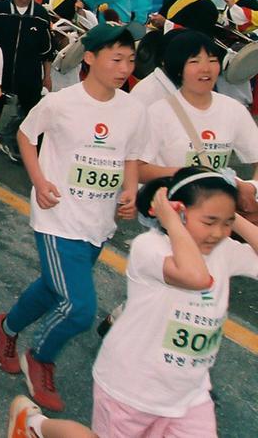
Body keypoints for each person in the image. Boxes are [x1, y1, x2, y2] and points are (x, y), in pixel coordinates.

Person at [0, 23, 143, 412]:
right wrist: (39, 181)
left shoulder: (132, 108)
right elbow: (26, 136)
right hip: (58, 219)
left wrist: (130, 190)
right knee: (79, 308)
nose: (125, 68)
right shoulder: (61, 103)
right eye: (116, 59)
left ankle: (6, 326)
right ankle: (40, 357)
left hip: (98, 223)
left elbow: (130, 155)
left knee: (51, 288)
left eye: (130, 60)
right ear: (89, 57)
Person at [90, 169, 258, 435]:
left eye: (225, 223)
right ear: (178, 211)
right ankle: (37, 424)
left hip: (189, 393)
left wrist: (229, 213)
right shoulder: (150, 247)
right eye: (209, 221)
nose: (217, 233)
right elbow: (196, 277)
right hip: (131, 389)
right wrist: (171, 222)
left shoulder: (223, 250)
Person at [138, 31, 258, 211]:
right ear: (178, 68)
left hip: (218, 214)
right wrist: (190, 174)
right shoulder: (158, 113)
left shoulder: (233, 110)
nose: (206, 68)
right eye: (194, 61)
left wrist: (252, 187)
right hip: (174, 213)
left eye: (212, 60)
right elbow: (138, 169)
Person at [0, 0, 54, 163]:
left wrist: (47, 76)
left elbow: (46, 51)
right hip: (0, 73)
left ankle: (23, 149)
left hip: (29, 73)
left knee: (32, 113)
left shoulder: (40, 15)